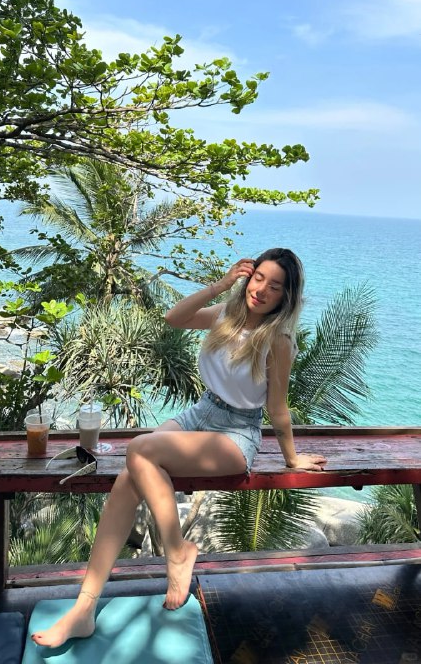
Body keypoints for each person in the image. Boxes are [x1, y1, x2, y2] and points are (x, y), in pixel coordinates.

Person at [32, 248, 327, 648]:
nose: (261, 290)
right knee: (128, 478)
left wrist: (292, 459)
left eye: (274, 286)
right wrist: (222, 284)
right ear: (247, 276)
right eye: (258, 278)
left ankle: (176, 551)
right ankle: (85, 607)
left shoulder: (278, 341)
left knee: (140, 450)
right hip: (200, 414)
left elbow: (277, 408)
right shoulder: (226, 315)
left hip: (236, 433)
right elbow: (175, 317)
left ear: (285, 297)